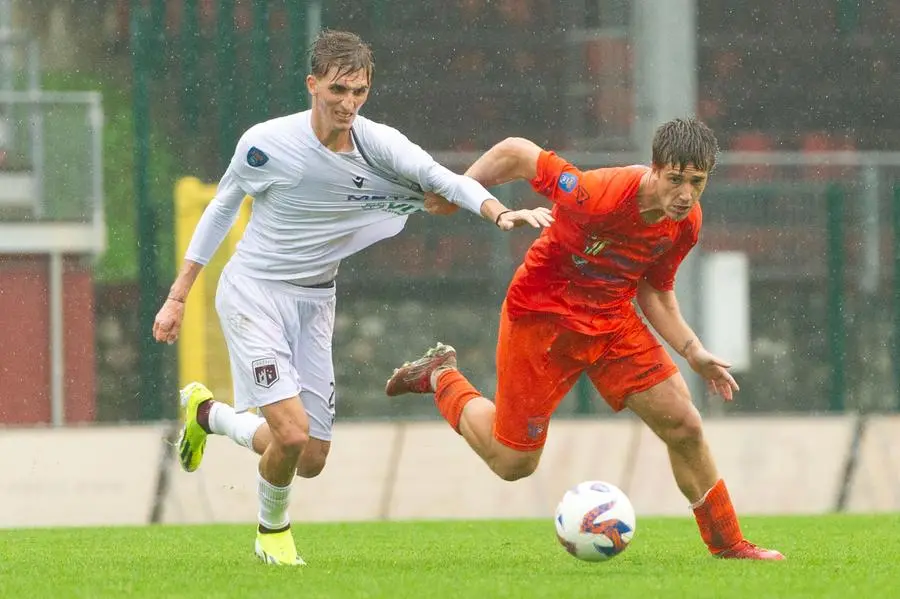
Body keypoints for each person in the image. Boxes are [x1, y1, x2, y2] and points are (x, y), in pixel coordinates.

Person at [152, 29, 552, 566]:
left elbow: (442, 180)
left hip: (316, 300)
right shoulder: (266, 143)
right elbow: (222, 207)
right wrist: (178, 295)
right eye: (338, 90)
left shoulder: (377, 143)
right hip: (254, 295)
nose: (348, 104)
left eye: (359, 92)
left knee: (310, 456)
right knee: (290, 436)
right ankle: (272, 535)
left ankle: (208, 416)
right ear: (312, 84)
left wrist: (498, 212)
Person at [385, 118, 784, 561]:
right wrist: (459, 190)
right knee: (513, 462)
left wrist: (693, 351)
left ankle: (729, 545)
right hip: (542, 317)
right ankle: (442, 376)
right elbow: (517, 150)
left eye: (697, 181)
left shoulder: (685, 223)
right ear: (654, 169)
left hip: (611, 320)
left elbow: (654, 289)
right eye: (675, 179)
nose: (686, 194)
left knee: (685, 425)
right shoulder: (597, 194)